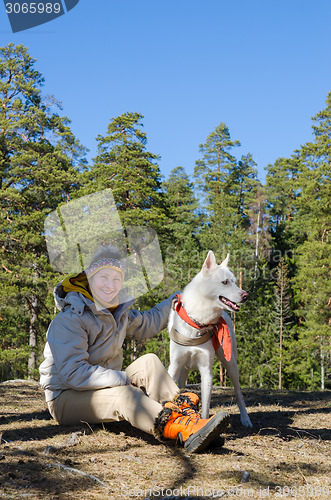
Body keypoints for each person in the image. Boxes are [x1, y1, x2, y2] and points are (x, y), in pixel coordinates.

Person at [39, 245, 230, 453]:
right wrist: (120, 378)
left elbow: (149, 322)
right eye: (103, 277)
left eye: (116, 278)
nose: (110, 285)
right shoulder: (71, 319)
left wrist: (176, 299)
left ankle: (187, 416)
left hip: (102, 387)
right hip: (65, 398)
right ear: (89, 277)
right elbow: (73, 374)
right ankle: (180, 429)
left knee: (149, 361)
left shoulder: (116, 313)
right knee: (125, 395)